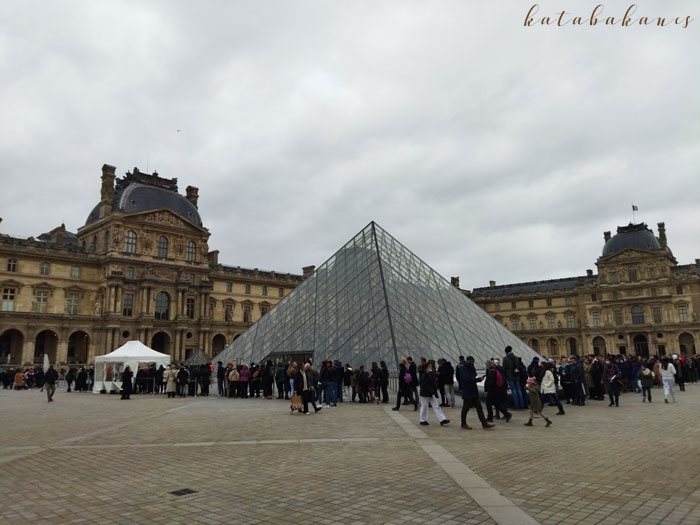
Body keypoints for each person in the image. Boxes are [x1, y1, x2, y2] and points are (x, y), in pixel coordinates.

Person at [418, 360, 449, 426]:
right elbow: (424, 385)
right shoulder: (424, 375)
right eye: (429, 366)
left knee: (436, 406)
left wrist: (433, 391)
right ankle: (423, 420)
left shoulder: (430, 374)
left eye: (431, 366)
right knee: (424, 406)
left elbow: (433, 383)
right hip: (425, 393)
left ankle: (442, 419)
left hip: (430, 393)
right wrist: (432, 391)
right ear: (426, 368)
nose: (431, 368)